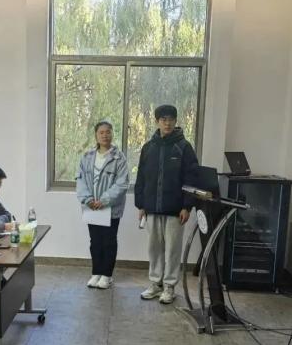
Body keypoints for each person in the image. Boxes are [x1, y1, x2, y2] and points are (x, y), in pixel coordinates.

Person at [134, 105, 199, 304]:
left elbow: (192, 178)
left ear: (175, 121)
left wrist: (187, 206)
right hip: (151, 208)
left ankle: (169, 286)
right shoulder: (148, 148)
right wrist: (141, 205)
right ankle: (156, 283)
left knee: (172, 250)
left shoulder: (184, 147)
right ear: (157, 122)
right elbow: (141, 178)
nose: (167, 123)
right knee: (154, 248)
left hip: (175, 210)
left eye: (171, 119)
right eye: (163, 119)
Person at [76, 121, 129, 289]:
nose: (105, 135)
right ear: (96, 135)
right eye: (101, 132)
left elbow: (122, 183)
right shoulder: (87, 156)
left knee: (109, 241)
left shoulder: (119, 158)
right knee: (95, 241)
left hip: (110, 208)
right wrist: (88, 199)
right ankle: (96, 273)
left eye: (108, 132)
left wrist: (104, 200)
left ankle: (107, 275)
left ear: (112, 134)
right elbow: (80, 179)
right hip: (91, 207)